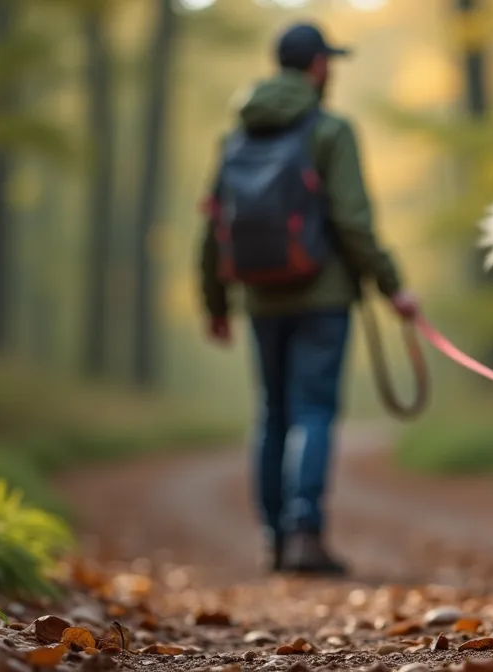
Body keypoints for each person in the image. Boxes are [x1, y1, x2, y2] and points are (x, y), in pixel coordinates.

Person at [199, 22, 418, 577]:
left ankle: (275, 539)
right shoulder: (331, 130)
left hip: (258, 295)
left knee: (273, 413)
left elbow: (213, 222)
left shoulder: (237, 135)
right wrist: (393, 287)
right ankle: (304, 532)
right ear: (318, 66)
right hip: (321, 295)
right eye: (330, 64)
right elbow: (351, 219)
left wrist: (216, 301)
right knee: (314, 411)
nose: (332, 74)